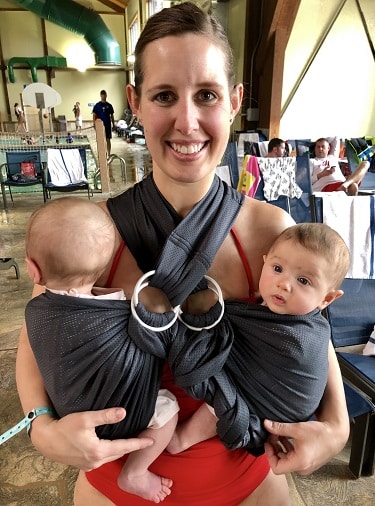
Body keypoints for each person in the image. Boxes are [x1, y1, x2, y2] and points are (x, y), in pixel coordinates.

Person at [16, 3, 350, 505]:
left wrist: (338, 425)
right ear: (135, 101)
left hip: (246, 484)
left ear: (235, 101)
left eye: (208, 95)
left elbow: (308, 338)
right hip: (115, 490)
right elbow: (37, 339)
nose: (187, 121)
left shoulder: (270, 232)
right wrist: (41, 428)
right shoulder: (88, 232)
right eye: (165, 95)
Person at [135, 222, 350, 456]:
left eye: (304, 281)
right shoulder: (259, 310)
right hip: (262, 405)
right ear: (264, 262)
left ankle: (182, 439)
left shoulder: (303, 336)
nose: (284, 284)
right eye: (277, 268)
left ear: (326, 299)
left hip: (273, 409)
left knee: (222, 397)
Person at [24, 197, 179, 503]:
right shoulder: (122, 310)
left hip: (70, 418)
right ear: (105, 268)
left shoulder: (36, 311)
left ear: (33, 270)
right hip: (124, 417)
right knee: (168, 406)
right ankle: (135, 471)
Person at [92, 90, 115, 158]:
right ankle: (103, 153)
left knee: (108, 139)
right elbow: (94, 115)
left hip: (107, 125)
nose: (103, 96)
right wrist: (94, 123)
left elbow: (112, 116)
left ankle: (109, 153)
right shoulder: (97, 105)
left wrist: (113, 124)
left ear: (106, 95)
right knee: (101, 140)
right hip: (100, 126)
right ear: (100, 96)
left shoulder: (109, 105)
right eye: (102, 95)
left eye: (104, 95)